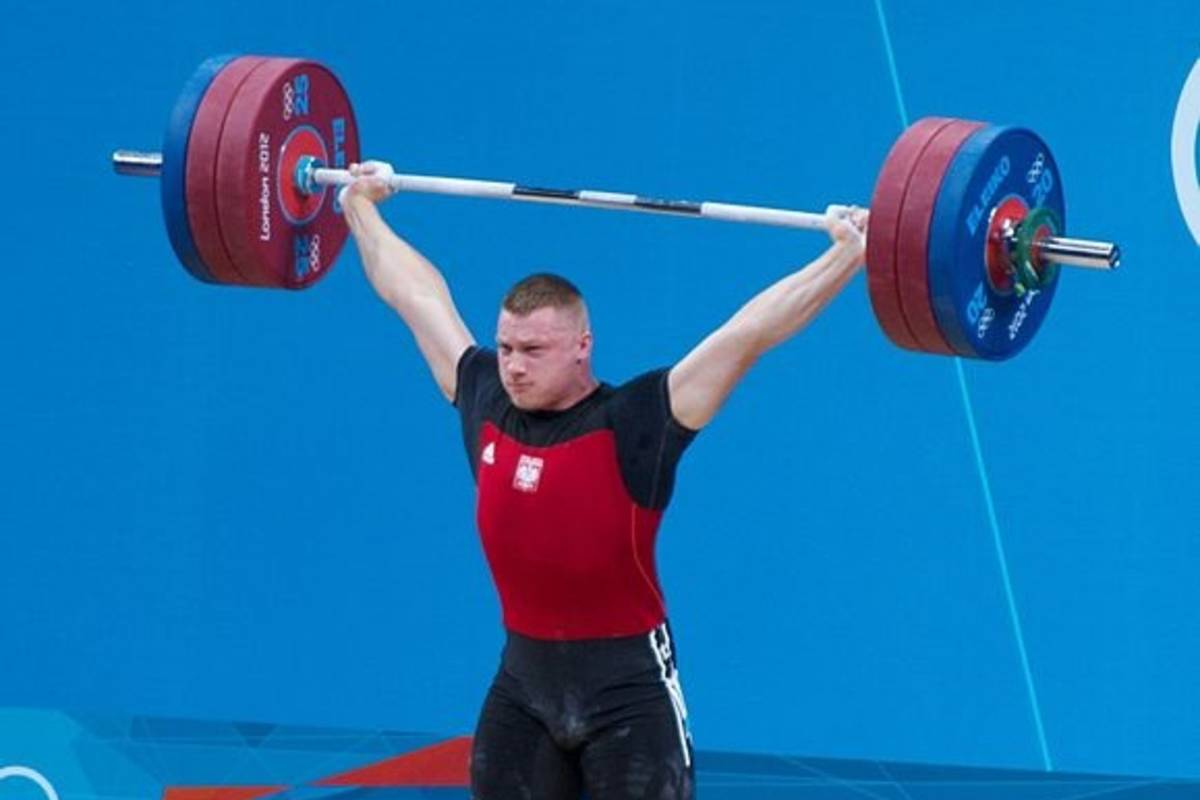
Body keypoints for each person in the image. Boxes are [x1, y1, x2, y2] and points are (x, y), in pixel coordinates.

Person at [339, 161, 867, 800]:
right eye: (507, 348)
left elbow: (748, 334)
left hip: (629, 698)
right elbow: (417, 297)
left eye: (533, 351)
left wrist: (847, 255)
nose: (513, 367)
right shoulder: (485, 400)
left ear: (582, 346)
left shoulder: (637, 421)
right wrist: (359, 205)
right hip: (524, 690)